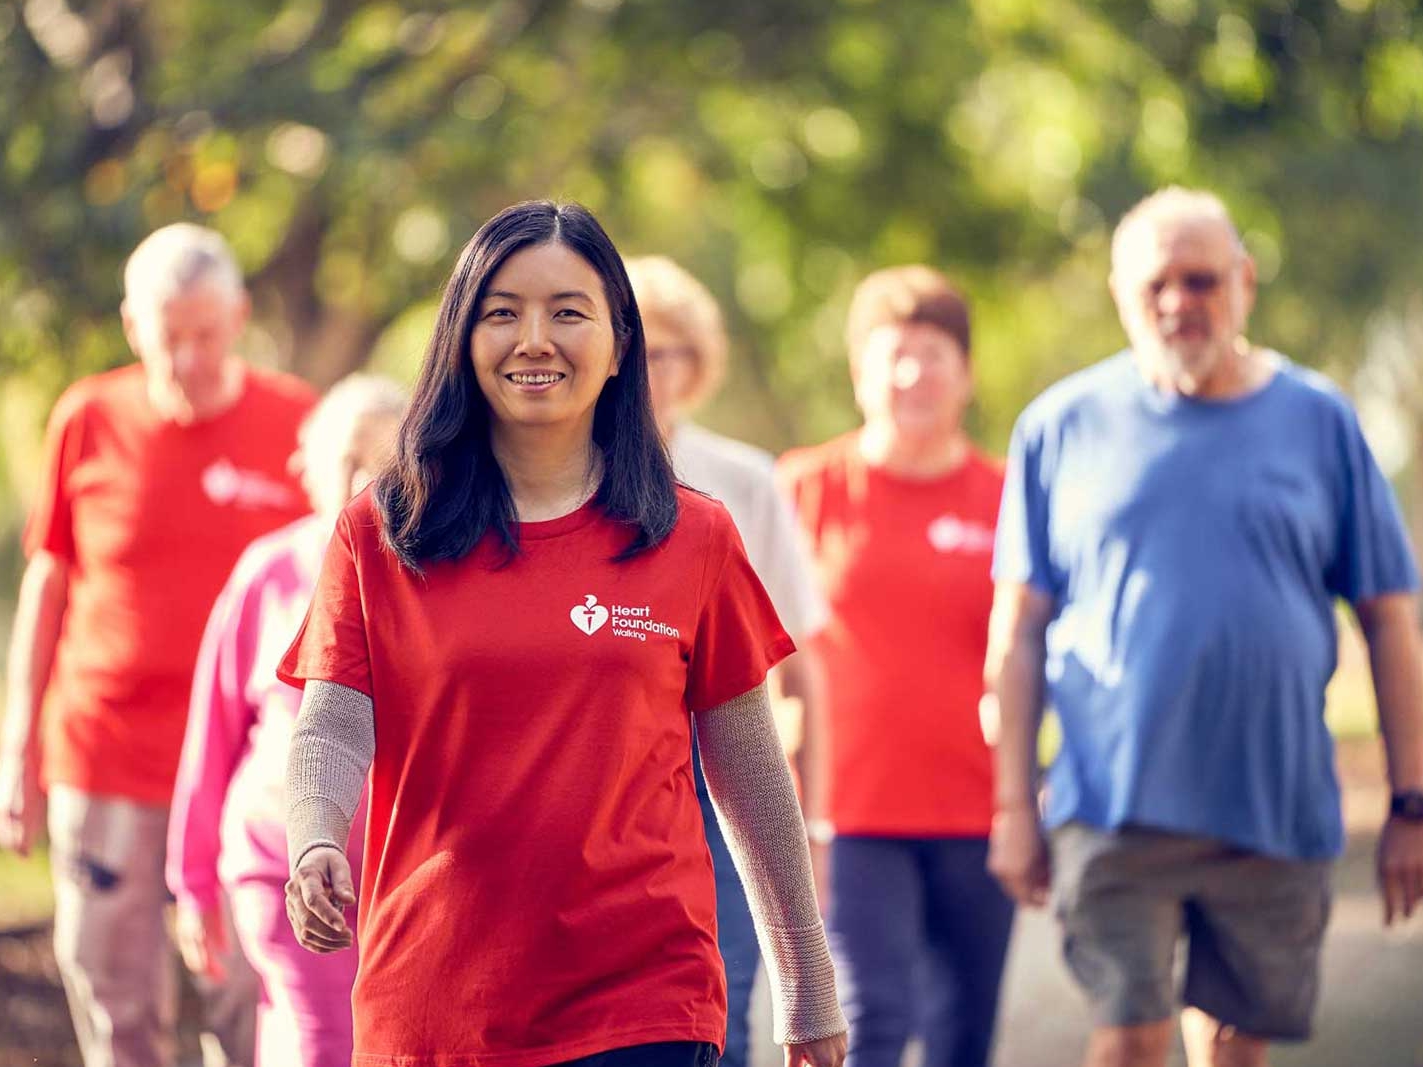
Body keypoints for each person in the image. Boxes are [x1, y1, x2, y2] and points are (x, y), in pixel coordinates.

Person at [276, 201, 848, 1067]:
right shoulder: (383, 529)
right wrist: (316, 833)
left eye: (567, 311)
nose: (533, 338)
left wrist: (805, 981)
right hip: (434, 1002)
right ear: (461, 341)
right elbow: (331, 721)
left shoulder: (693, 537)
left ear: (620, 346)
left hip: (643, 1000)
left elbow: (747, 767)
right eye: (501, 311)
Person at [987, 186, 1423, 1067]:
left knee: (1232, 1048)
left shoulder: (1321, 421)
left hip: (1270, 805)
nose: (1179, 303)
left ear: (1243, 283)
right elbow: (1018, 630)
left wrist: (1411, 801)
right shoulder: (1058, 426)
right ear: (1120, 292)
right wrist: (1008, 805)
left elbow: (1387, 621)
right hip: (1111, 805)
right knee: (1127, 1039)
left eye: (1201, 280)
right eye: (1156, 284)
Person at [0, 223, 316, 1067]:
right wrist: (17, 747)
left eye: (207, 335)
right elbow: (49, 586)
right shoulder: (87, 417)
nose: (187, 359)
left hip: (246, 770)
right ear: (133, 327)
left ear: (240, 317)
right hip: (105, 760)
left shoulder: (297, 425)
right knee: (113, 992)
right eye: (166, 337)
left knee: (247, 993)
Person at [777, 266, 1015, 1067]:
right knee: (869, 1022)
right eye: (894, 354)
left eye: (935, 354)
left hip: (977, 815)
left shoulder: (1008, 498)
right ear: (859, 372)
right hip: (849, 816)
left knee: (962, 1038)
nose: (913, 373)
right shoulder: (803, 489)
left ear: (967, 374)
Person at [625, 254, 831, 1067]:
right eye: (631, 349)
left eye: (664, 353)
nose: (646, 373)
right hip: (622, 776)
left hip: (724, 778)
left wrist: (806, 810)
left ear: (697, 363)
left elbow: (796, 663)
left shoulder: (741, 481)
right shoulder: (565, 474)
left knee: (727, 1001)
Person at [165, 374, 406, 1067]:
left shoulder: (438, 576)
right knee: (323, 1041)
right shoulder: (268, 572)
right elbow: (211, 736)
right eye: (348, 461)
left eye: (386, 465)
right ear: (308, 470)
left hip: (405, 877)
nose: (366, 481)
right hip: (281, 863)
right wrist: (193, 882)